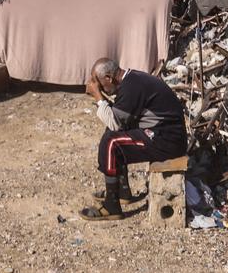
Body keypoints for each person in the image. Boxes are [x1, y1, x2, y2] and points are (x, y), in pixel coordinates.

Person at [79, 57, 188, 221]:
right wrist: (101, 98)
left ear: (109, 77)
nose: (101, 88)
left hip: (166, 140)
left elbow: (115, 123)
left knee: (112, 142)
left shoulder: (132, 87)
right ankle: (122, 191)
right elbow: (120, 119)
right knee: (116, 131)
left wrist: (98, 97)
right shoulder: (132, 80)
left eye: (101, 84)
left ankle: (112, 205)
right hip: (166, 134)